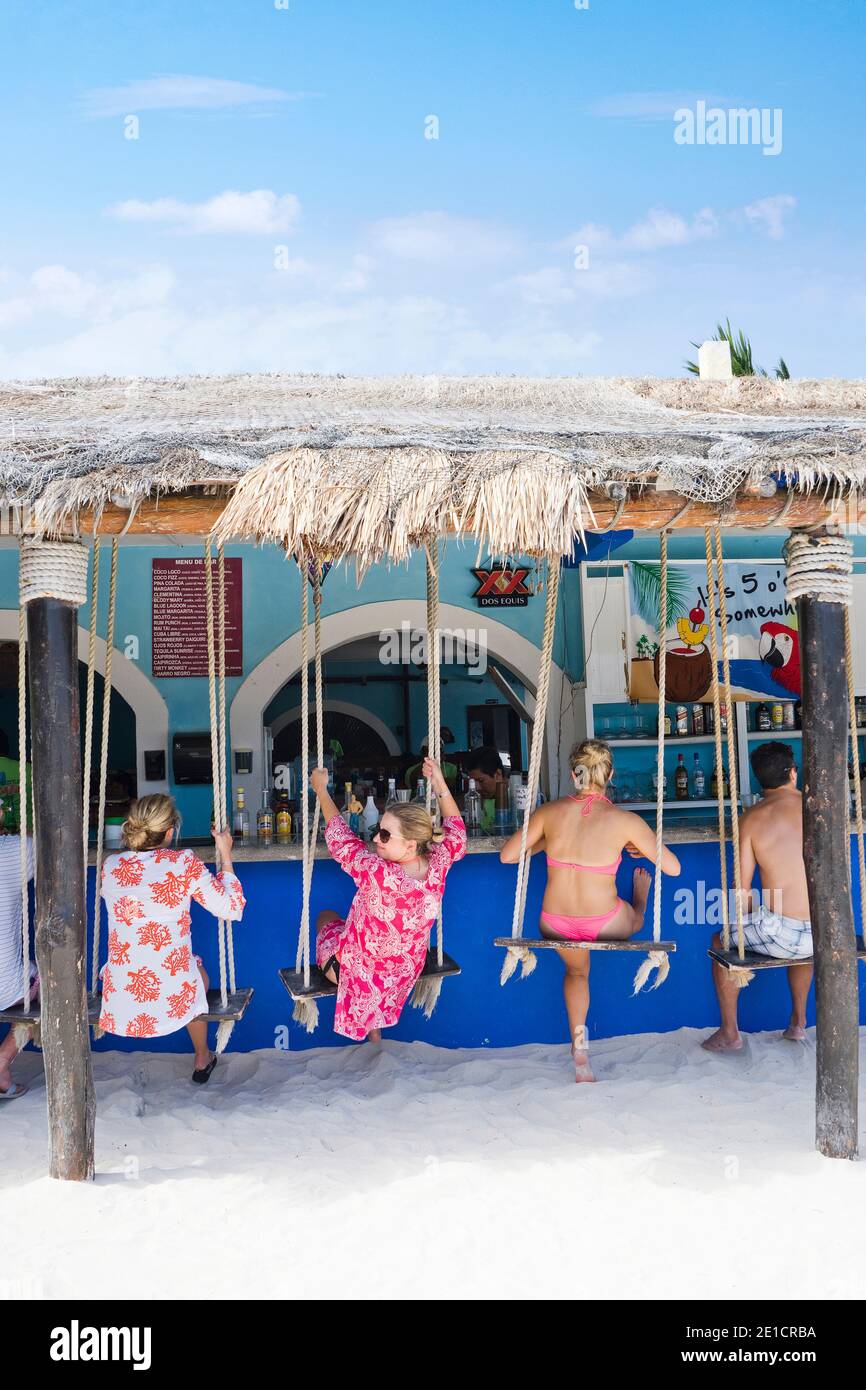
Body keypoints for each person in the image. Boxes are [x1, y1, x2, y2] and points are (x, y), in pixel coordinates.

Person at [500, 739, 680, 1083]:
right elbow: (672, 868)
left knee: (577, 974)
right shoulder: (623, 820)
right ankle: (639, 900)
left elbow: (508, 855)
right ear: (610, 774)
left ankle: (580, 1050)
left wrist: (548, 840)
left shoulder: (549, 813)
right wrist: (644, 849)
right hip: (605, 924)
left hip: (554, 924)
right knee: (637, 917)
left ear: (573, 774)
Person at [311, 755, 466, 1043]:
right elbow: (457, 832)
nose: (376, 840)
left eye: (384, 835)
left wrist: (321, 790)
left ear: (410, 844)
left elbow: (340, 840)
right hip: (403, 972)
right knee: (360, 933)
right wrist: (440, 785)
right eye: (377, 831)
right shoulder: (439, 861)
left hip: (356, 974)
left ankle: (371, 1025)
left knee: (326, 917)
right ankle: (375, 1030)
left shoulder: (377, 872)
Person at [99, 794, 245, 1083]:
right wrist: (225, 852)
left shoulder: (112, 866)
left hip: (121, 996)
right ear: (170, 831)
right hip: (171, 997)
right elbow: (232, 908)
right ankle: (202, 1056)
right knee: (194, 975)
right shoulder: (183, 863)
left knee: (180, 966)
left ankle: (202, 1054)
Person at [703, 742, 812, 1053]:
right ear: (793, 773)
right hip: (823, 933)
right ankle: (799, 1023)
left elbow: (742, 888)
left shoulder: (752, 819)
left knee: (720, 942)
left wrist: (746, 926)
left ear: (759, 781)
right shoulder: (819, 807)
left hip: (783, 936)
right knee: (805, 940)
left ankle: (729, 1032)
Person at [0, 800, 35, 1099]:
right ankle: (1, 1062)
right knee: (53, 987)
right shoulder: (15, 850)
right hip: (6, 988)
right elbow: (53, 843)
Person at [467, 745, 506, 830]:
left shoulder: (516, 800)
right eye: (473, 782)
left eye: (481, 780)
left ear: (498, 775)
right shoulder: (478, 801)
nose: (476, 788)